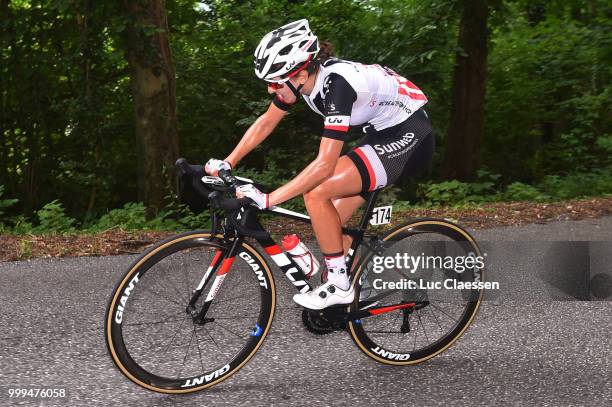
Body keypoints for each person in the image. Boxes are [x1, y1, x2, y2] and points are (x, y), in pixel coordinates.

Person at [204, 19, 435, 310]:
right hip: (380, 134)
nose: (270, 90)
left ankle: (340, 286)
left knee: (316, 191)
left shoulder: (338, 85)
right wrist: (228, 161)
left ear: (300, 74)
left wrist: (268, 199)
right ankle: (349, 286)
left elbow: (324, 165)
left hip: (411, 138)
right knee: (330, 226)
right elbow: (266, 122)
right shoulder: (305, 81)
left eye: (275, 82)